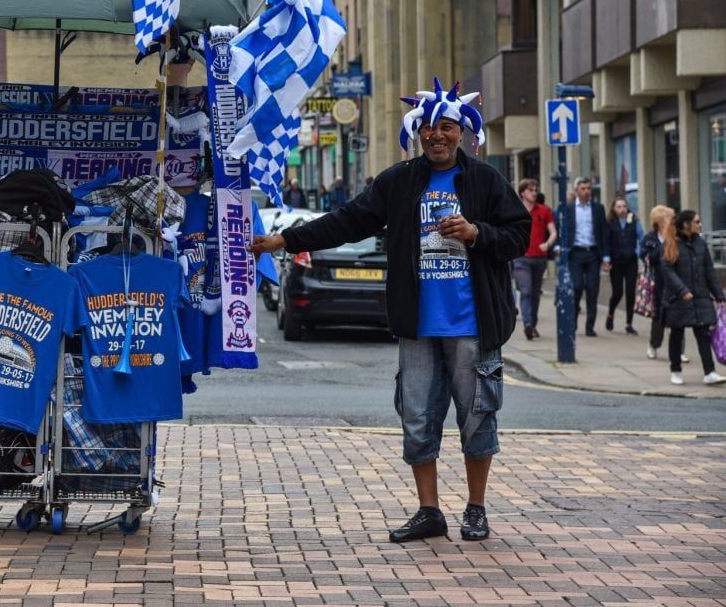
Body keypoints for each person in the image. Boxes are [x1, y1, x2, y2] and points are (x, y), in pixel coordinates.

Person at [251, 79, 529, 543]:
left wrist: (477, 232)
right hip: (416, 326)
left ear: (461, 132)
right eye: (428, 128)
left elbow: (519, 234)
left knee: (477, 415)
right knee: (417, 417)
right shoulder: (400, 181)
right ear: (418, 132)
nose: (436, 135)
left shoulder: (485, 181)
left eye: (446, 127)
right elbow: (348, 220)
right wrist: (286, 239)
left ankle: (476, 509)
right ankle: (429, 512)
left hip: (472, 325)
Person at [659, 210, 726, 386]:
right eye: (696, 221)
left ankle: (709, 372)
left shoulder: (701, 243)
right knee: (677, 334)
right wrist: (682, 290)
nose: (700, 224)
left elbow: (709, 272)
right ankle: (675, 370)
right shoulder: (672, 243)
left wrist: (720, 295)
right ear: (686, 224)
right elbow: (667, 270)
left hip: (700, 296)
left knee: (703, 333)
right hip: (677, 297)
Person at [558, 177, 610, 337]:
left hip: (594, 253)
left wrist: (606, 257)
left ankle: (590, 327)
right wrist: (560, 246)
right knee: (577, 287)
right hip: (576, 253)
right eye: (583, 188)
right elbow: (563, 229)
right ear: (577, 191)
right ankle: (572, 324)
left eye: (588, 188)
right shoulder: (568, 208)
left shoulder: (598, 208)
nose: (586, 191)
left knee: (593, 291)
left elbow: (604, 233)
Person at [512, 178, 555, 340]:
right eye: (531, 190)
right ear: (523, 192)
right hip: (521, 258)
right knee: (526, 290)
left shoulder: (544, 210)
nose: (534, 192)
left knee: (535, 293)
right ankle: (527, 323)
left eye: (536, 190)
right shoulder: (515, 209)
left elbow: (553, 232)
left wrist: (548, 244)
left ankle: (533, 324)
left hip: (539, 258)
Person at [640, 205, 679, 360]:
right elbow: (646, 257)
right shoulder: (650, 238)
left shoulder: (676, 235)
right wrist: (662, 247)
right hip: (657, 281)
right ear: (660, 220)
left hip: (675, 280)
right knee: (659, 316)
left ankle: (678, 351)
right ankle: (654, 344)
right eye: (669, 217)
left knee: (677, 315)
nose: (672, 220)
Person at [605, 197, 644, 335]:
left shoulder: (634, 221)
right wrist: (607, 259)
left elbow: (641, 238)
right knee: (617, 292)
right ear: (614, 209)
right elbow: (606, 241)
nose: (622, 209)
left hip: (630, 261)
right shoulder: (609, 222)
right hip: (616, 261)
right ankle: (610, 313)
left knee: (630, 293)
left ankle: (629, 324)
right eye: (619, 207)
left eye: (624, 206)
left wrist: (637, 252)